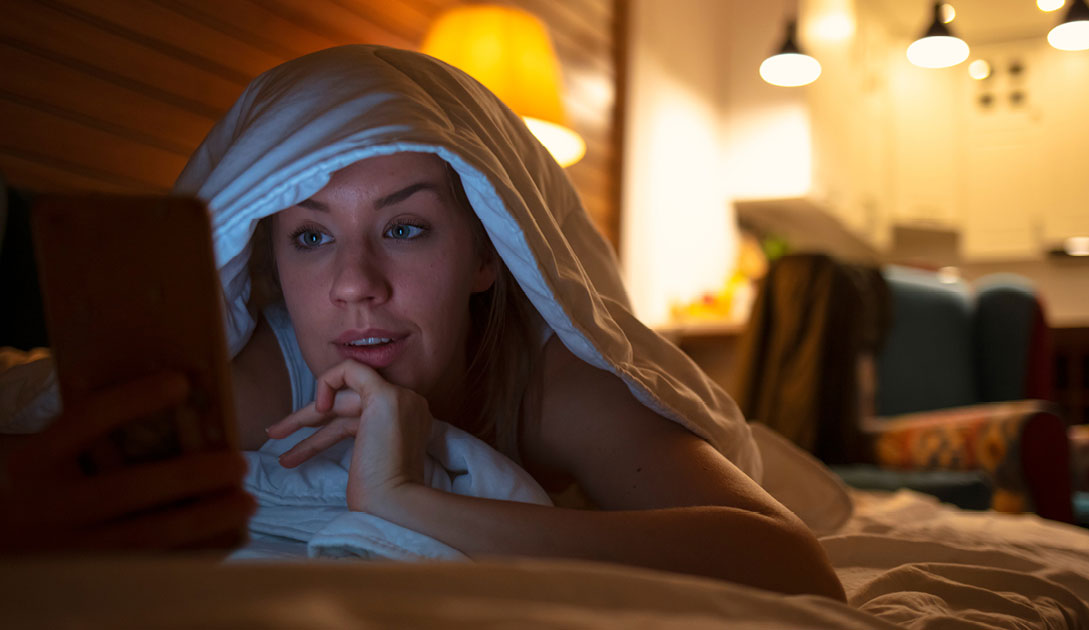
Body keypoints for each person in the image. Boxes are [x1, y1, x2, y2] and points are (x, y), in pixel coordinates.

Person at [3, 45, 844, 600]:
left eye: (404, 228)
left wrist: (408, 504)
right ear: (271, 263)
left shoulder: (547, 380)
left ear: (487, 257)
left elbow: (796, 568)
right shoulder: (268, 374)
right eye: (311, 235)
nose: (356, 285)